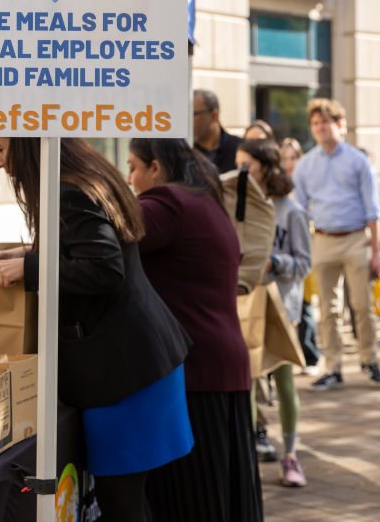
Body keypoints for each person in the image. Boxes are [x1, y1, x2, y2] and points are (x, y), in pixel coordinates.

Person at [0, 138, 193, 522]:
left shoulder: (68, 190)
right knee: (126, 502)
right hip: (132, 367)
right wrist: (29, 254)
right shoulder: (79, 179)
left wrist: (31, 269)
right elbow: (84, 250)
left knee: (122, 505)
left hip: (126, 376)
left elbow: (104, 269)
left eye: (1, 149)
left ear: (30, 145)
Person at [125, 137, 262, 521]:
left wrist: (33, 260)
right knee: (224, 495)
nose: (130, 178)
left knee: (193, 499)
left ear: (156, 167)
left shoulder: (166, 202)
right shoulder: (203, 199)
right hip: (221, 366)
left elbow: (102, 241)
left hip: (194, 371)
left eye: (134, 167)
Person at [292, 98, 380, 391]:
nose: (321, 128)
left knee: (362, 305)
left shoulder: (359, 161)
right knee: (328, 309)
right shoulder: (306, 164)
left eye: (326, 122)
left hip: (356, 239)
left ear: (341, 126)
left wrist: (376, 251)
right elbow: (297, 208)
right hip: (322, 240)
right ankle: (332, 366)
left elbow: (374, 209)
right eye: (316, 123)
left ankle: (369, 360)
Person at [237, 139, 311, 487]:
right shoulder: (240, 205)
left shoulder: (291, 210)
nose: (239, 171)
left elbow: (304, 263)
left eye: (246, 164)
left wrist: (275, 262)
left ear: (265, 167)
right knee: (248, 380)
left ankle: (291, 455)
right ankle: (251, 450)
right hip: (247, 304)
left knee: (283, 381)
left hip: (282, 306)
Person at [280, 137, 321, 372]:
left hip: (305, 247)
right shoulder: (275, 184)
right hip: (283, 249)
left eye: (293, 158)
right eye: (284, 158)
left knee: (305, 303)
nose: (288, 163)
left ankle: (310, 354)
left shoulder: (306, 183)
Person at [193, 88, 242, 173]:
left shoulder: (240, 148)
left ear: (214, 116)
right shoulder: (185, 152)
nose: (187, 120)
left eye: (193, 114)